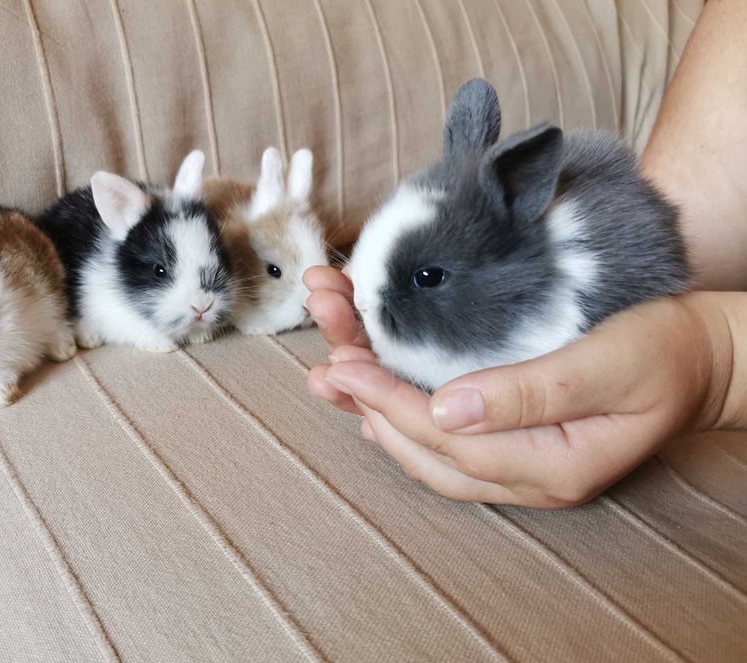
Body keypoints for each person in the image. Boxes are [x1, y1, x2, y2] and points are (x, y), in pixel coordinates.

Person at [304, 0, 747, 509]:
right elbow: (702, 185)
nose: (362, 297)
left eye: (427, 277)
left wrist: (719, 362)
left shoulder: (554, 297)